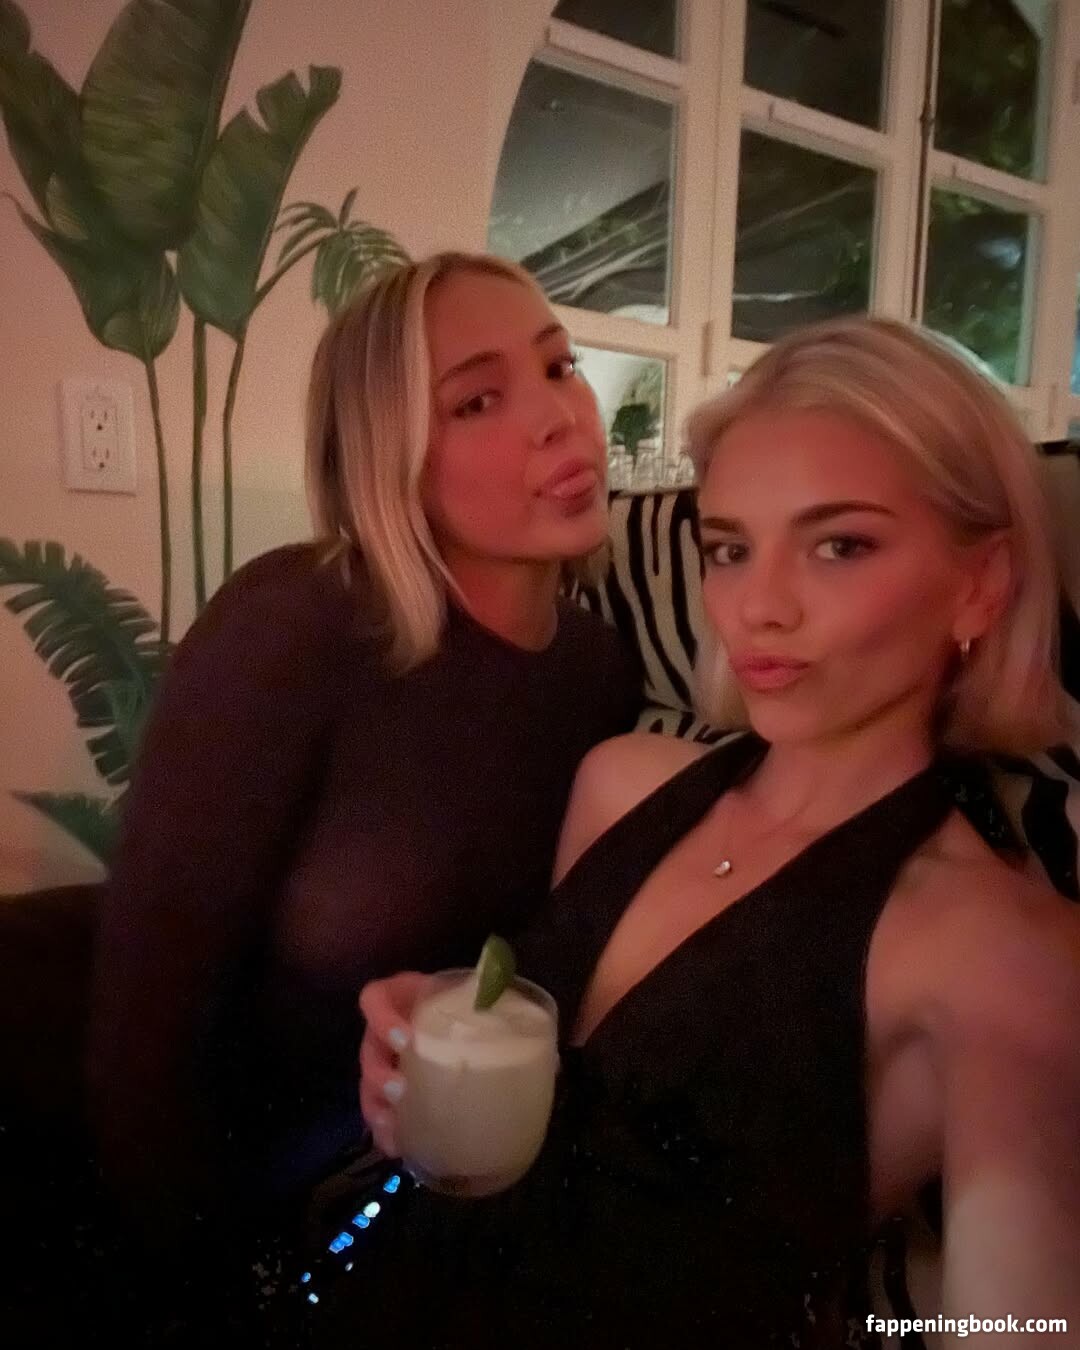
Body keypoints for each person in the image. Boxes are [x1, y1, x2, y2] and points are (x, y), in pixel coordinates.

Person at [334, 317, 1080, 1348]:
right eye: (730, 548)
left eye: (839, 545)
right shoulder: (621, 781)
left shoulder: (999, 952)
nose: (756, 607)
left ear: (980, 585)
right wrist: (447, 1055)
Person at [84, 252, 640, 1335]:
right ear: (390, 457)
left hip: (464, 1211)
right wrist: (200, 1292)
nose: (560, 418)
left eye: (559, 366)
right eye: (477, 400)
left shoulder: (602, 668)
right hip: (253, 1219)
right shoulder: (294, 626)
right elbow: (141, 1034)